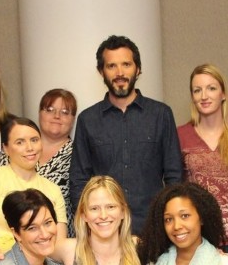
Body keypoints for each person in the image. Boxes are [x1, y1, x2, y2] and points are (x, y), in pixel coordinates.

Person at [71, 35, 183, 232]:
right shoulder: (87, 120)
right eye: (111, 66)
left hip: (152, 229)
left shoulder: (161, 114)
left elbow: (175, 176)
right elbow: (80, 180)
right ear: (101, 71)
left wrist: (170, 221)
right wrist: (88, 225)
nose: (120, 72)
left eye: (126, 64)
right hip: (104, 231)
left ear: (138, 69)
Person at [0, 117, 68, 265]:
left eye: (34, 140)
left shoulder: (52, 189)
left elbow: (58, 242)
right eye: (20, 142)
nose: (29, 148)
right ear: (6, 148)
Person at [177, 64, 228, 254]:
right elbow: (177, 190)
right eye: (198, 90)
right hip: (197, 238)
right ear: (192, 97)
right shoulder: (180, 135)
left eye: (211, 88)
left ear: (223, 94)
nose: (204, 96)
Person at [0, 88, 77, 233]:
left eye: (65, 112)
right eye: (50, 109)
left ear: (73, 120)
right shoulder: (12, 149)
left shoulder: (79, 156)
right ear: (39, 114)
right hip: (6, 235)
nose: (57, 116)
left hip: (55, 239)